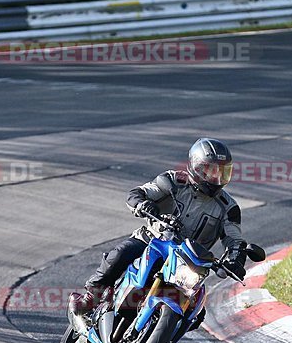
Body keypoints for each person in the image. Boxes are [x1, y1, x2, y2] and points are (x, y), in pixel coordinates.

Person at [68, 138, 248, 328]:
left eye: (222, 171)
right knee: (120, 254)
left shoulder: (229, 208)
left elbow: (235, 239)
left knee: (197, 313)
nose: (216, 177)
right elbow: (138, 193)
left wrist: (236, 259)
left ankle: (161, 334)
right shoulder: (173, 181)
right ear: (196, 166)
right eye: (211, 170)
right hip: (152, 240)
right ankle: (91, 297)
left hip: (188, 262)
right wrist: (143, 203)